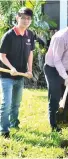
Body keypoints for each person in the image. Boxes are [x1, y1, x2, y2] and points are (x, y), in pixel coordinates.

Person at [0, 7, 34, 138]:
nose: (26, 21)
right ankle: (4, 130)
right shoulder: (9, 35)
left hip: (20, 76)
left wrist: (29, 69)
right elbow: (2, 55)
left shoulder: (30, 35)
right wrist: (11, 68)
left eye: (28, 19)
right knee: (6, 103)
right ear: (17, 18)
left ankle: (14, 124)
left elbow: (30, 53)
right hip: (7, 76)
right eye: (23, 18)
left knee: (16, 103)